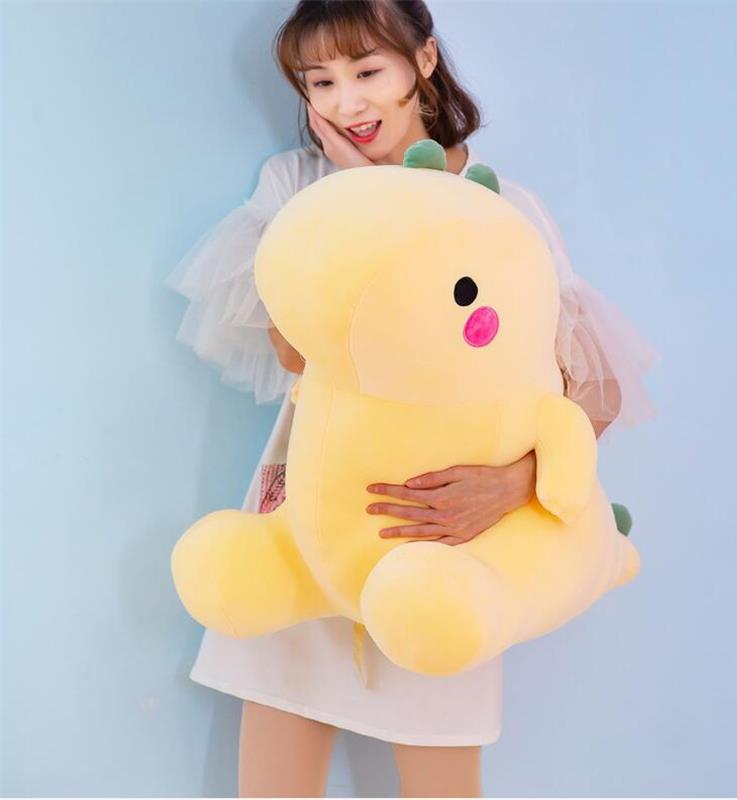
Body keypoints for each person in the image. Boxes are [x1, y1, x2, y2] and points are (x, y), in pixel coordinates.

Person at [164, 1, 659, 796]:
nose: (346, 103)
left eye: (367, 71)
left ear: (423, 61)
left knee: (441, 764)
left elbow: (585, 384)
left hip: (447, 538)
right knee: (273, 768)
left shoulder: (502, 208)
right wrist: (364, 194)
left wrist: (514, 486)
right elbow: (297, 351)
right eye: (320, 82)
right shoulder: (299, 188)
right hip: (312, 513)